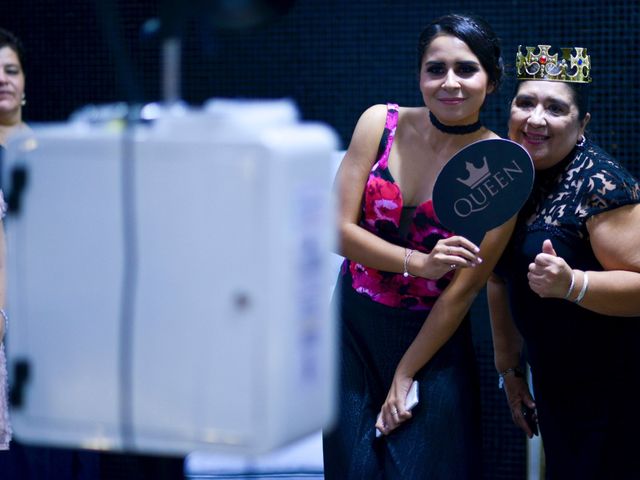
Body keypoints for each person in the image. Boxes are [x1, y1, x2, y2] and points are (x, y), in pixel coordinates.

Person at [322, 13, 516, 479]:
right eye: (436, 69)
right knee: (351, 469)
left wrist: (406, 372)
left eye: (466, 69)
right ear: (419, 76)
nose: (450, 83)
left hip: (434, 343)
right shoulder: (378, 123)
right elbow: (332, 230)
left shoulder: (505, 166)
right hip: (351, 330)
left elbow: (462, 292)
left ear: (491, 82)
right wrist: (419, 263)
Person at [489, 44, 640, 479]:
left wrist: (573, 284)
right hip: (559, 388)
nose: (536, 119)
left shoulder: (600, 183)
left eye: (555, 108)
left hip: (617, 393)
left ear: (581, 124)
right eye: (525, 103)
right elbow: (499, 278)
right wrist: (511, 371)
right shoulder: (511, 176)